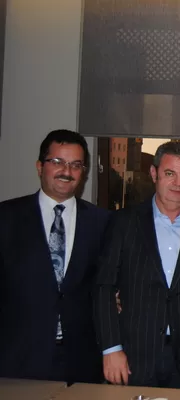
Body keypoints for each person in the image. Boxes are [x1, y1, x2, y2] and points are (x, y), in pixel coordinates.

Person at [94, 141, 180, 389]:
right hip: (132, 357)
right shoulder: (124, 222)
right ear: (154, 173)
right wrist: (111, 348)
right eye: (170, 174)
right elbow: (104, 287)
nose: (178, 183)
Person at [0, 129, 110, 383]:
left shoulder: (103, 223)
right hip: (17, 358)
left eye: (76, 165)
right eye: (57, 161)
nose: (66, 171)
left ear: (84, 172)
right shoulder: (6, 218)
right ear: (40, 166)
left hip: (81, 362)